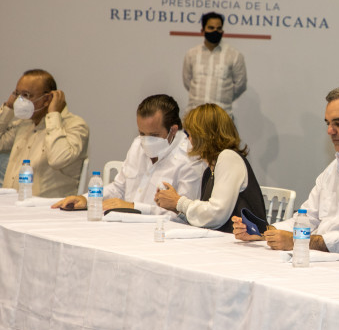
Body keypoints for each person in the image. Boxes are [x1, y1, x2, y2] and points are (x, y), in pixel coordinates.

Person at [231, 85, 339, 256]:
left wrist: (299, 241)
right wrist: (263, 232)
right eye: (328, 123)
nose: (330, 131)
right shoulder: (333, 169)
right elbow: (307, 218)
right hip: (319, 257)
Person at [52, 94, 204, 215]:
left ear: (173, 130)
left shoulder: (190, 158)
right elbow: (119, 188)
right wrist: (87, 199)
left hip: (160, 234)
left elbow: (184, 214)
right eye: (142, 133)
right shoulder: (137, 144)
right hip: (124, 225)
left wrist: (133, 207)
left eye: (154, 135)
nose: (146, 141)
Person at [154, 103, 266, 232]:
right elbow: (207, 221)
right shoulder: (209, 170)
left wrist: (179, 202)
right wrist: (176, 207)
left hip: (246, 241)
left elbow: (216, 214)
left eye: (189, 134)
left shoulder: (228, 158)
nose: (188, 139)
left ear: (203, 136)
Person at [0, 69, 88, 197]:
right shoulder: (24, 124)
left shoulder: (75, 125)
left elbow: (57, 159)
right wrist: (8, 107)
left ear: (47, 99)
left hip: (49, 207)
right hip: (11, 203)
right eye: (17, 94)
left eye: (26, 95)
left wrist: (53, 114)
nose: (19, 100)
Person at [182, 11, 247, 118]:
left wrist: (224, 98)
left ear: (223, 31)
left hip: (222, 117)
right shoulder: (191, 54)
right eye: (211, 28)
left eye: (219, 28)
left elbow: (240, 85)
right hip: (194, 116)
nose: (215, 31)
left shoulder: (234, 55)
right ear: (202, 31)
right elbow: (187, 82)